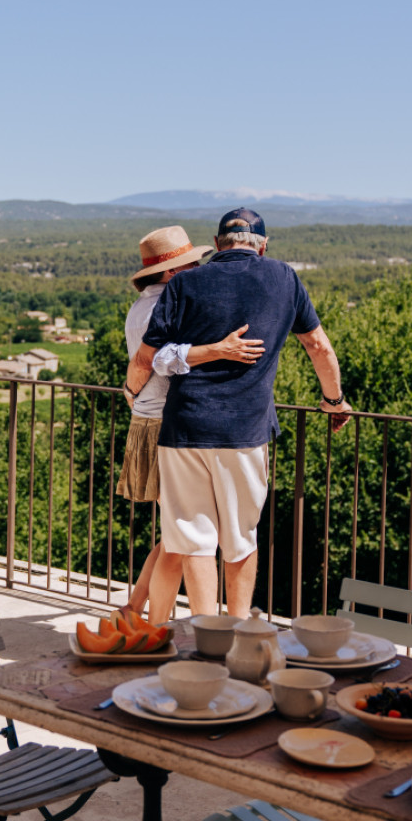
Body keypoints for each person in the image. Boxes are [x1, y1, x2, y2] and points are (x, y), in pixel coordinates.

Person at [126, 207, 351, 621]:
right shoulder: (284, 277)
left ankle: (201, 634)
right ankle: (236, 630)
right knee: (240, 539)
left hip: (183, 429)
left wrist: (131, 395)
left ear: (216, 245)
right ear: (262, 247)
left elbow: (146, 357)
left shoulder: (185, 283)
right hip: (245, 431)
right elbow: (318, 346)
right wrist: (334, 401)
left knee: (192, 541)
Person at [116, 224, 265, 625]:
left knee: (177, 537)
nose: (200, 269)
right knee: (181, 541)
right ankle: (154, 627)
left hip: (148, 421)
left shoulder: (141, 306)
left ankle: (140, 618)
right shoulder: (165, 307)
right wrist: (220, 349)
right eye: (191, 264)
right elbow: (157, 359)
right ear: (170, 273)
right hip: (167, 424)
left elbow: (139, 366)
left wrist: (130, 392)